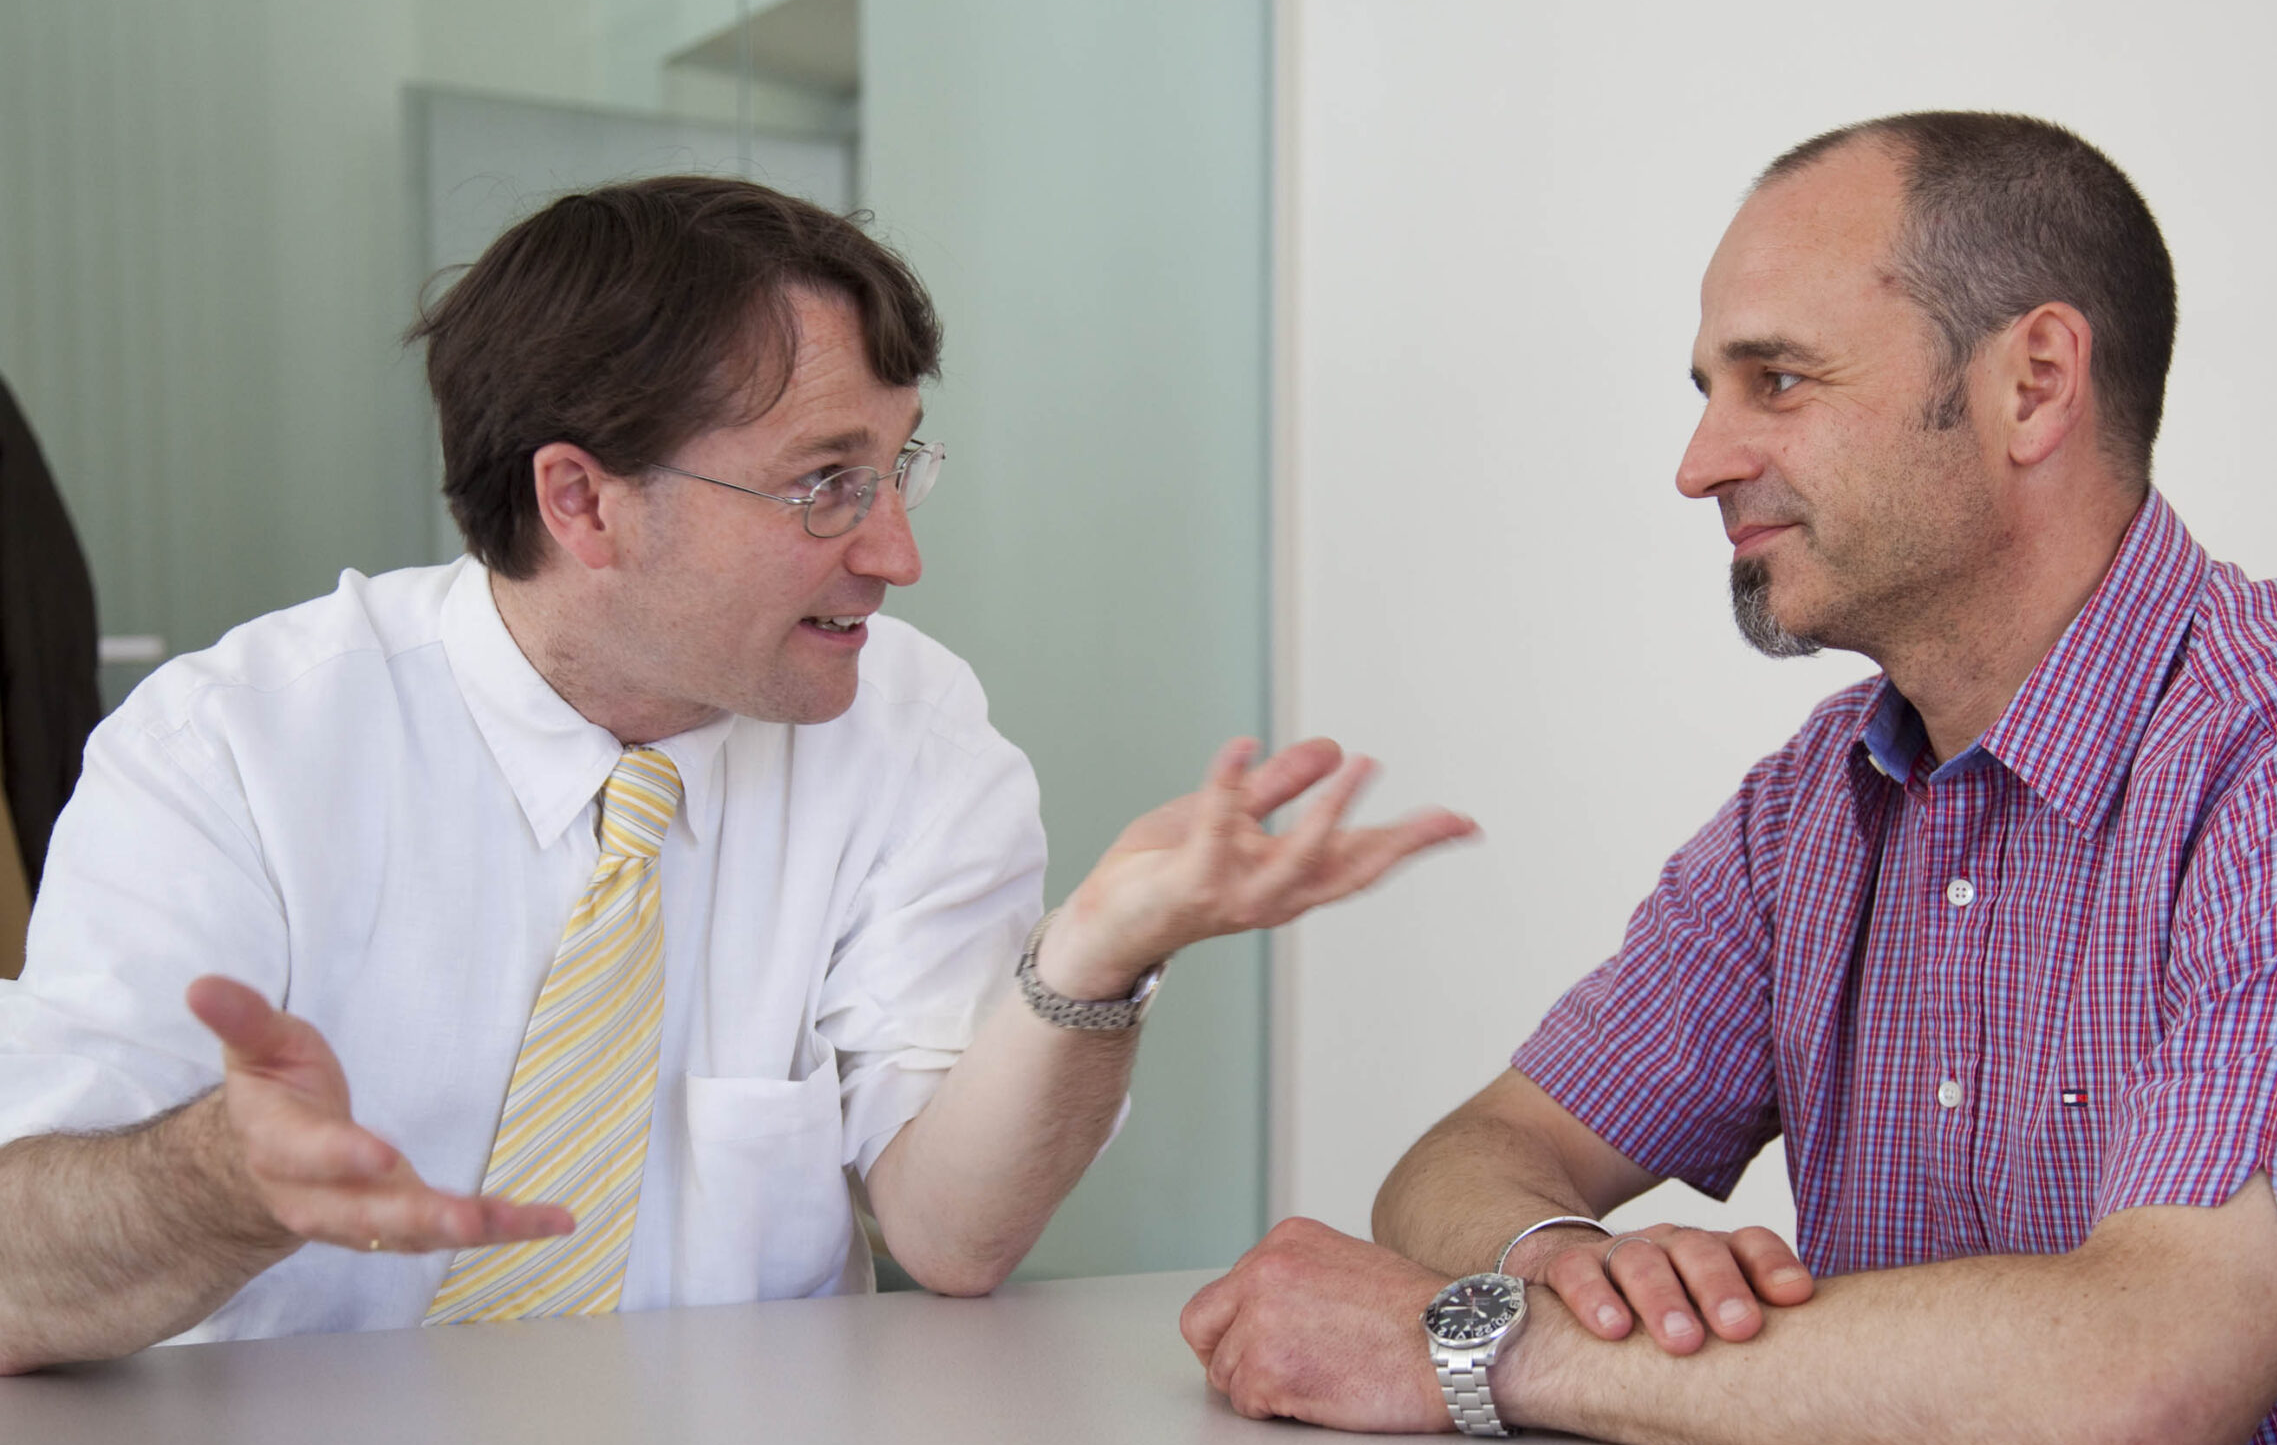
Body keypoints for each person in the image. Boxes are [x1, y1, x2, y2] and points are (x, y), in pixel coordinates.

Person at [1179, 113, 2277, 1445]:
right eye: (1708, 391)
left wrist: (1479, 1347)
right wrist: (1570, 1270)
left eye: (1778, 380)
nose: (1702, 462)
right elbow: (1474, 1158)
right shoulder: (1813, 805)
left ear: (2032, 383)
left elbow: (2139, 1382)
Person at [0, 176, 1470, 1368]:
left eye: (901, 469)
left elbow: (950, 1238)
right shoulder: (237, 748)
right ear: (581, 500)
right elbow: (17, 1281)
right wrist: (215, 1178)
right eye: (826, 482)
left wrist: (1095, 956)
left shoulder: (910, 729)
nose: (896, 552)